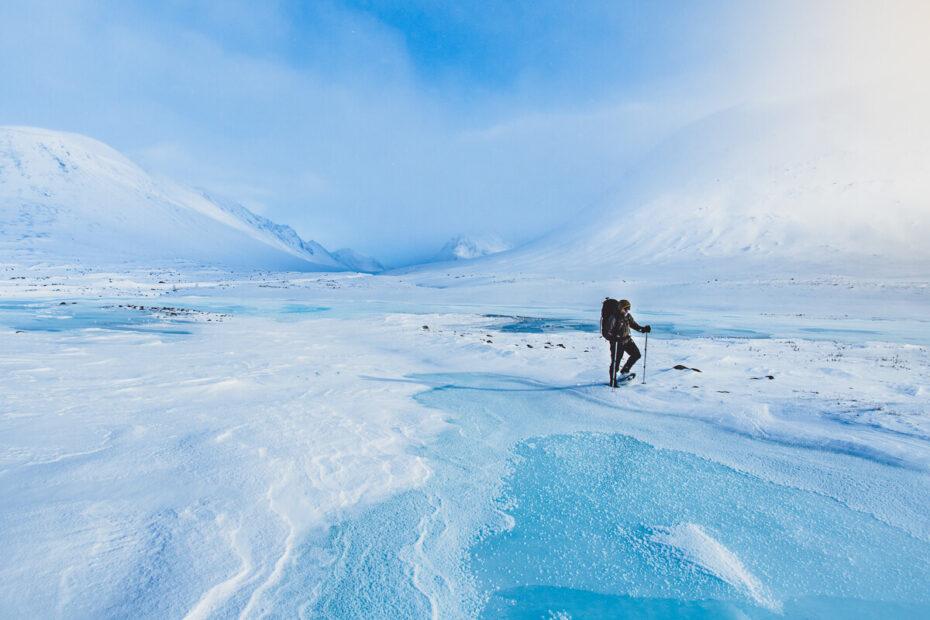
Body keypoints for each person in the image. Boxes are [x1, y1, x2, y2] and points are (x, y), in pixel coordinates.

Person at [605, 299, 650, 387]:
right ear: (620, 308)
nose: (627, 310)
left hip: (627, 340)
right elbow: (607, 332)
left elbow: (634, 325)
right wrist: (613, 338)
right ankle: (613, 381)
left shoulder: (627, 316)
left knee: (636, 354)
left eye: (628, 308)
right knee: (615, 362)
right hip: (617, 343)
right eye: (625, 308)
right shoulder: (614, 317)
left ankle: (625, 371)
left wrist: (643, 329)